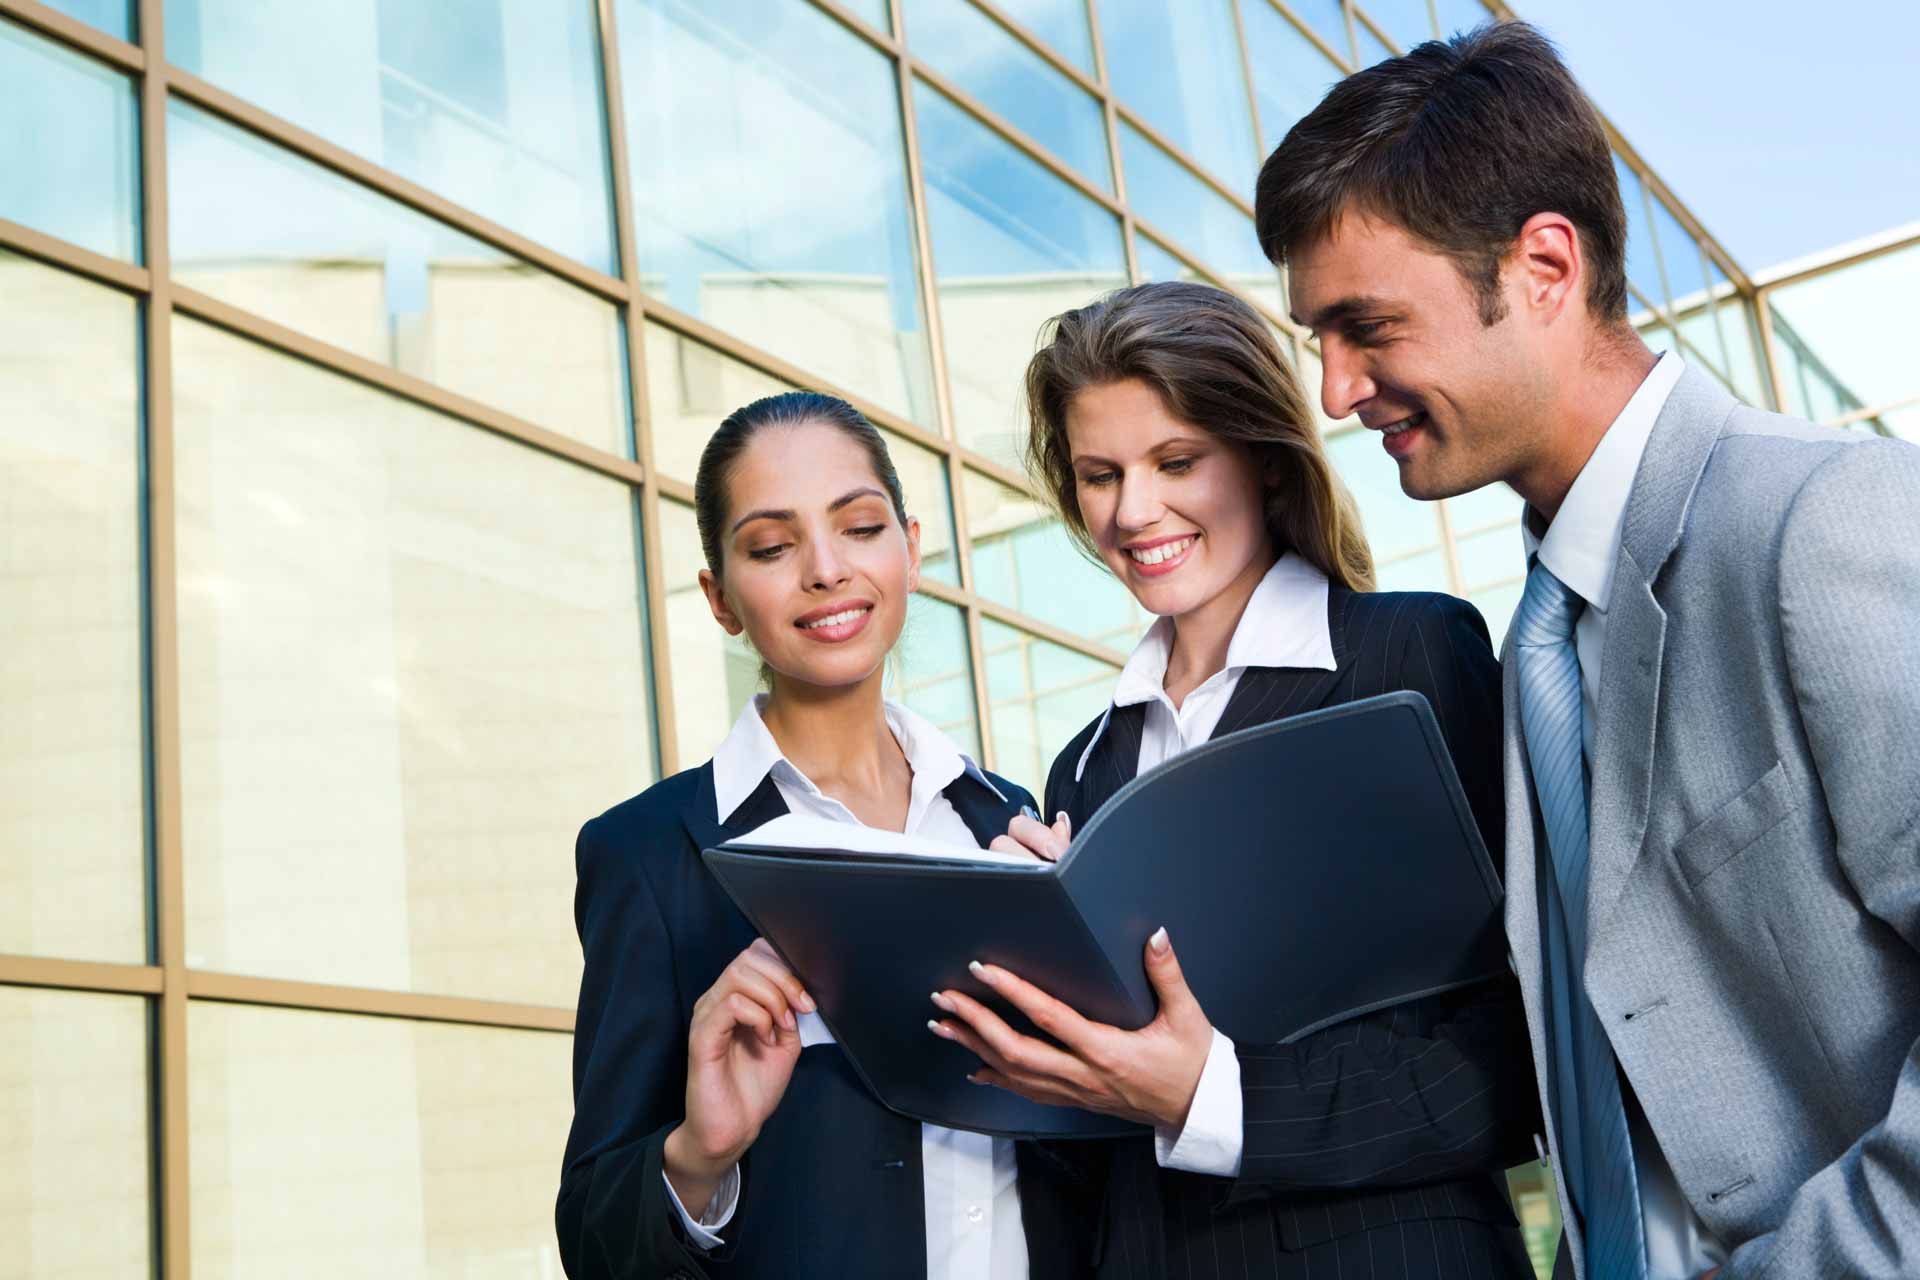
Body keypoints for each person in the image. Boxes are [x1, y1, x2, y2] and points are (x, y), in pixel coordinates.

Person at [1258, 20, 1920, 1280]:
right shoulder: (1541, 646)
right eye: (1318, 342)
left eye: (1367, 326)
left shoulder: (1822, 524)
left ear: (1545, 267)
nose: (1338, 389)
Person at [932, 280, 1540, 1278]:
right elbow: (1094, 1114)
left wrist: (1210, 1094)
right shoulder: (1084, 762)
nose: (1133, 511)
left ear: (1260, 456)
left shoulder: (1407, 659)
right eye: (1099, 474)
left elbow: (1521, 1052)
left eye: (1176, 461)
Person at [555, 391, 1094, 1279]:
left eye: (860, 527)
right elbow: (596, 1237)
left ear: (912, 551)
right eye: (771, 546)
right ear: (720, 599)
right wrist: (700, 1155)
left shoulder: (1009, 824)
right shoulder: (650, 857)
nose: (825, 569)